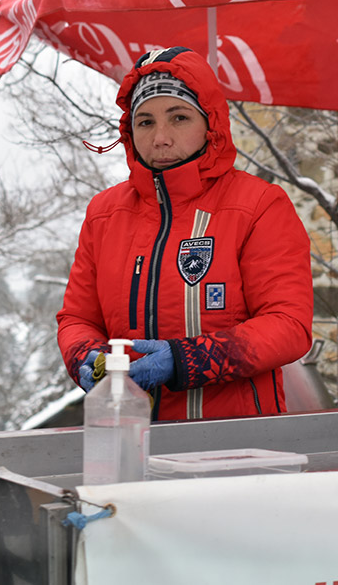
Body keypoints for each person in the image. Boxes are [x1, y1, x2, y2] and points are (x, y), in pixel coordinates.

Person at [56, 46, 314, 421]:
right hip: (128, 436)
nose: (160, 137)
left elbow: (289, 325)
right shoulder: (104, 214)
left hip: (238, 444)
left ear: (210, 123)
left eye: (178, 117)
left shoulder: (259, 205)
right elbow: (77, 318)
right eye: (144, 122)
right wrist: (83, 355)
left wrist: (186, 360)